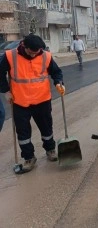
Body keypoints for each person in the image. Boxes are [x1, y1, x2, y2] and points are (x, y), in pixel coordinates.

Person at [0, 34, 65, 173]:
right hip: (20, 101)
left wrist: (59, 83)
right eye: (31, 52)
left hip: (42, 100)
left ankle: (50, 150)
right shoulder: (10, 56)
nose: (34, 55)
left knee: (46, 128)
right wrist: (6, 91)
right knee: (23, 132)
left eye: (37, 52)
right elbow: (0, 73)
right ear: (24, 46)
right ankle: (29, 158)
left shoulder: (46, 56)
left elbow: (56, 72)